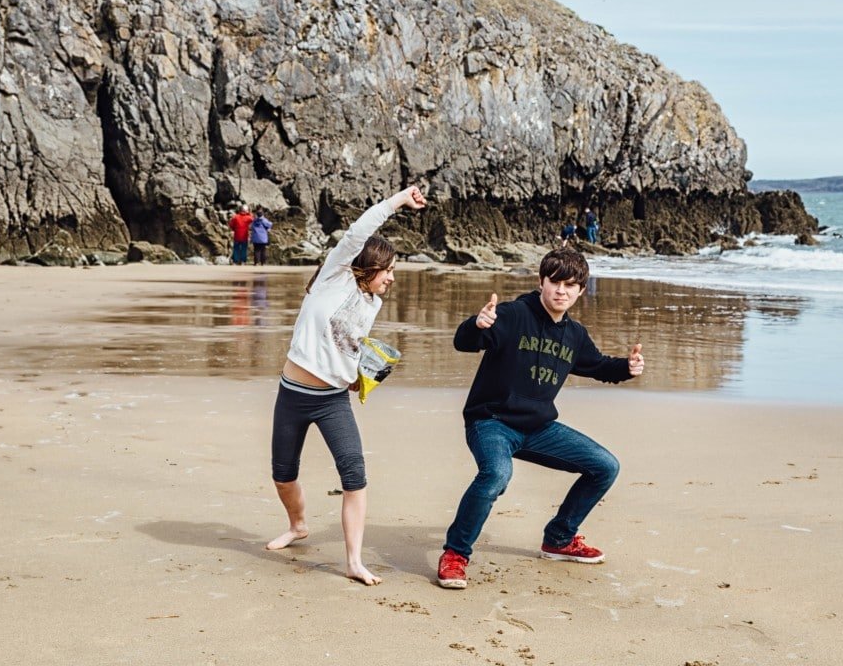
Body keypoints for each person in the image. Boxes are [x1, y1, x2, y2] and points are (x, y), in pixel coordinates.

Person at [435, 247, 645, 590]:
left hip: (537, 428)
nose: (561, 290)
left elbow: (598, 366)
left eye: (570, 285)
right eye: (555, 282)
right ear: (541, 281)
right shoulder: (514, 314)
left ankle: (559, 539)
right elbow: (466, 341)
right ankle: (456, 554)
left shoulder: (574, 335)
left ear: (580, 291)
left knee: (605, 466)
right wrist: (476, 324)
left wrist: (627, 368)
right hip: (490, 422)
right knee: (496, 475)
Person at [266, 185, 428, 586]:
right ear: (367, 266)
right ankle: (298, 525)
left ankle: (354, 560)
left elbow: (347, 346)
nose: (391, 279)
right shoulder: (333, 277)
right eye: (388, 270)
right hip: (293, 395)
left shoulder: (371, 303)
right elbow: (359, 229)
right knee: (283, 474)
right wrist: (397, 202)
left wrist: (360, 376)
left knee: (354, 477)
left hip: (333, 399)